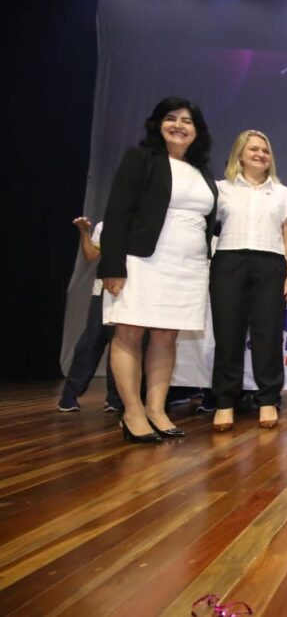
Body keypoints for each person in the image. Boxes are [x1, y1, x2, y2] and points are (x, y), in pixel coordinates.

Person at [98, 97, 217, 443]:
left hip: (188, 266)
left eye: (187, 121)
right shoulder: (141, 158)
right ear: (158, 124)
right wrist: (112, 266)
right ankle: (132, 412)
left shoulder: (201, 171)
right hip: (141, 261)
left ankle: (156, 409)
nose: (179, 125)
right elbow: (117, 212)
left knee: (167, 337)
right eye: (171, 118)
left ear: (197, 131)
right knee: (129, 332)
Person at [209, 130, 287, 431]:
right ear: (240, 154)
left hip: (270, 264)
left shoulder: (284, 193)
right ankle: (225, 402)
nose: (261, 154)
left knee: (268, 336)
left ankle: (268, 399)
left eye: (265, 150)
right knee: (228, 335)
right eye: (254, 149)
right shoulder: (221, 189)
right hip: (228, 262)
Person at [58, 217, 122, 413]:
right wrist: (84, 232)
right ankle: (69, 395)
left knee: (122, 345)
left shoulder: (144, 224)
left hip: (132, 292)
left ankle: (115, 398)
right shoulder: (105, 226)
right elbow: (91, 255)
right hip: (104, 290)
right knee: (91, 341)